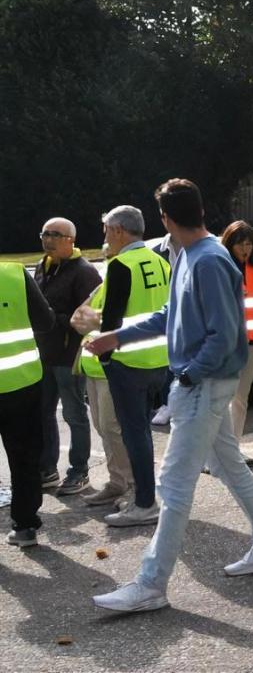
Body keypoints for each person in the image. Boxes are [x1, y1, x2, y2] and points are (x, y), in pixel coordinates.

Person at [89, 179, 253, 613]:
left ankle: (150, 585)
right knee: (229, 465)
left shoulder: (209, 260)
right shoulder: (186, 256)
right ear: (198, 210)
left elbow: (224, 334)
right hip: (202, 383)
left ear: (165, 217)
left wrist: (188, 378)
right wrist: (116, 337)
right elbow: (170, 315)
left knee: (175, 485)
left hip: (202, 385)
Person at [77, 205, 173, 526]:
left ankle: (143, 500)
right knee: (139, 432)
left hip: (126, 362)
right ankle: (137, 493)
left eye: (106, 230)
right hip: (157, 359)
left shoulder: (121, 265)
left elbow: (112, 322)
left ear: (118, 231)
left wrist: (99, 346)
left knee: (134, 434)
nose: (105, 236)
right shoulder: (161, 262)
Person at [34, 216, 100, 497]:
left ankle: (79, 471)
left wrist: (53, 319)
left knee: (74, 415)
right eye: (44, 234)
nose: (47, 239)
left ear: (70, 240)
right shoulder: (42, 266)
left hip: (70, 356)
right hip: (45, 354)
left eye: (54, 234)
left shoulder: (84, 271)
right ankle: (48, 469)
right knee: (43, 413)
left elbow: (91, 317)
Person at [1, 259, 56, 548]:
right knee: (24, 458)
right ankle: (25, 526)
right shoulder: (13, 273)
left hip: (19, 382)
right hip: (20, 383)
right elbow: (46, 321)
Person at [220, 222, 253, 467]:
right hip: (226, 342)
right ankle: (217, 453)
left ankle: (233, 449)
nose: (246, 249)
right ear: (230, 243)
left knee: (240, 398)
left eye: (250, 243)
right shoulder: (220, 266)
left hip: (249, 340)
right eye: (241, 243)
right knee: (220, 398)